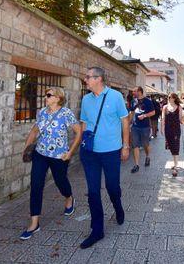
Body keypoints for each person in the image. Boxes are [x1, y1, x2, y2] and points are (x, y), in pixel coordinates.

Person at [20, 87, 82, 240]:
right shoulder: (42, 112)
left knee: (60, 181)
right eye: (46, 95)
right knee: (36, 185)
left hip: (59, 156)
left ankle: (69, 198)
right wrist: (26, 148)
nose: (45, 97)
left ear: (58, 98)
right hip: (40, 154)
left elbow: (79, 131)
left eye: (49, 95)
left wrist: (70, 152)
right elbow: (35, 131)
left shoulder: (65, 113)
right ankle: (34, 222)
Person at [79, 67, 130, 249]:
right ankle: (97, 230)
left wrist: (125, 145)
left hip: (111, 152)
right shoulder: (86, 99)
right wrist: (82, 144)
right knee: (93, 192)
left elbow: (125, 120)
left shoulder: (115, 96)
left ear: (98, 79)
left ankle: (118, 206)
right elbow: (84, 123)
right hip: (90, 153)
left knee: (112, 187)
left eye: (88, 77)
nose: (85, 80)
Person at [130, 86, 155, 173]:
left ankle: (147, 156)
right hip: (135, 127)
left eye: (135, 91)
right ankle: (136, 165)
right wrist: (129, 122)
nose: (133, 93)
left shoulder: (148, 101)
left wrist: (144, 116)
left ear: (140, 92)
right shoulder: (133, 101)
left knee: (145, 144)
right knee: (135, 145)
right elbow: (132, 112)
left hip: (145, 127)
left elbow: (153, 112)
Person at [162, 93, 184, 177]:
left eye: (170, 97)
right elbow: (163, 118)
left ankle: (176, 167)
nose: (168, 98)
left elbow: (180, 120)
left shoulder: (179, 107)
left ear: (174, 98)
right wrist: (162, 128)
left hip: (176, 130)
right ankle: (175, 163)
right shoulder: (165, 107)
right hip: (168, 130)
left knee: (175, 146)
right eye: (168, 97)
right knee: (171, 146)